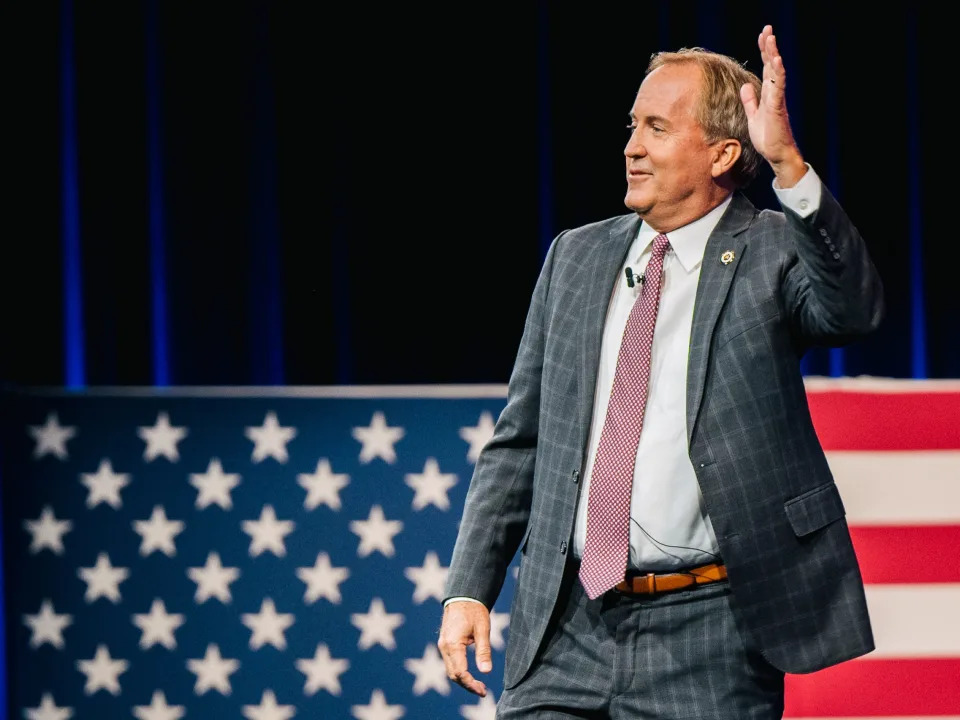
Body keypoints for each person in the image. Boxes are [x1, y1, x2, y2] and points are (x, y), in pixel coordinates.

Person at [438, 25, 881, 719]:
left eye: (656, 128)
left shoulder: (771, 250)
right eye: (631, 125)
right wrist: (469, 586)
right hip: (566, 626)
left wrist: (789, 164)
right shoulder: (575, 258)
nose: (631, 146)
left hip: (713, 631)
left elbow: (852, 311)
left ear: (723, 153)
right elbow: (519, 441)